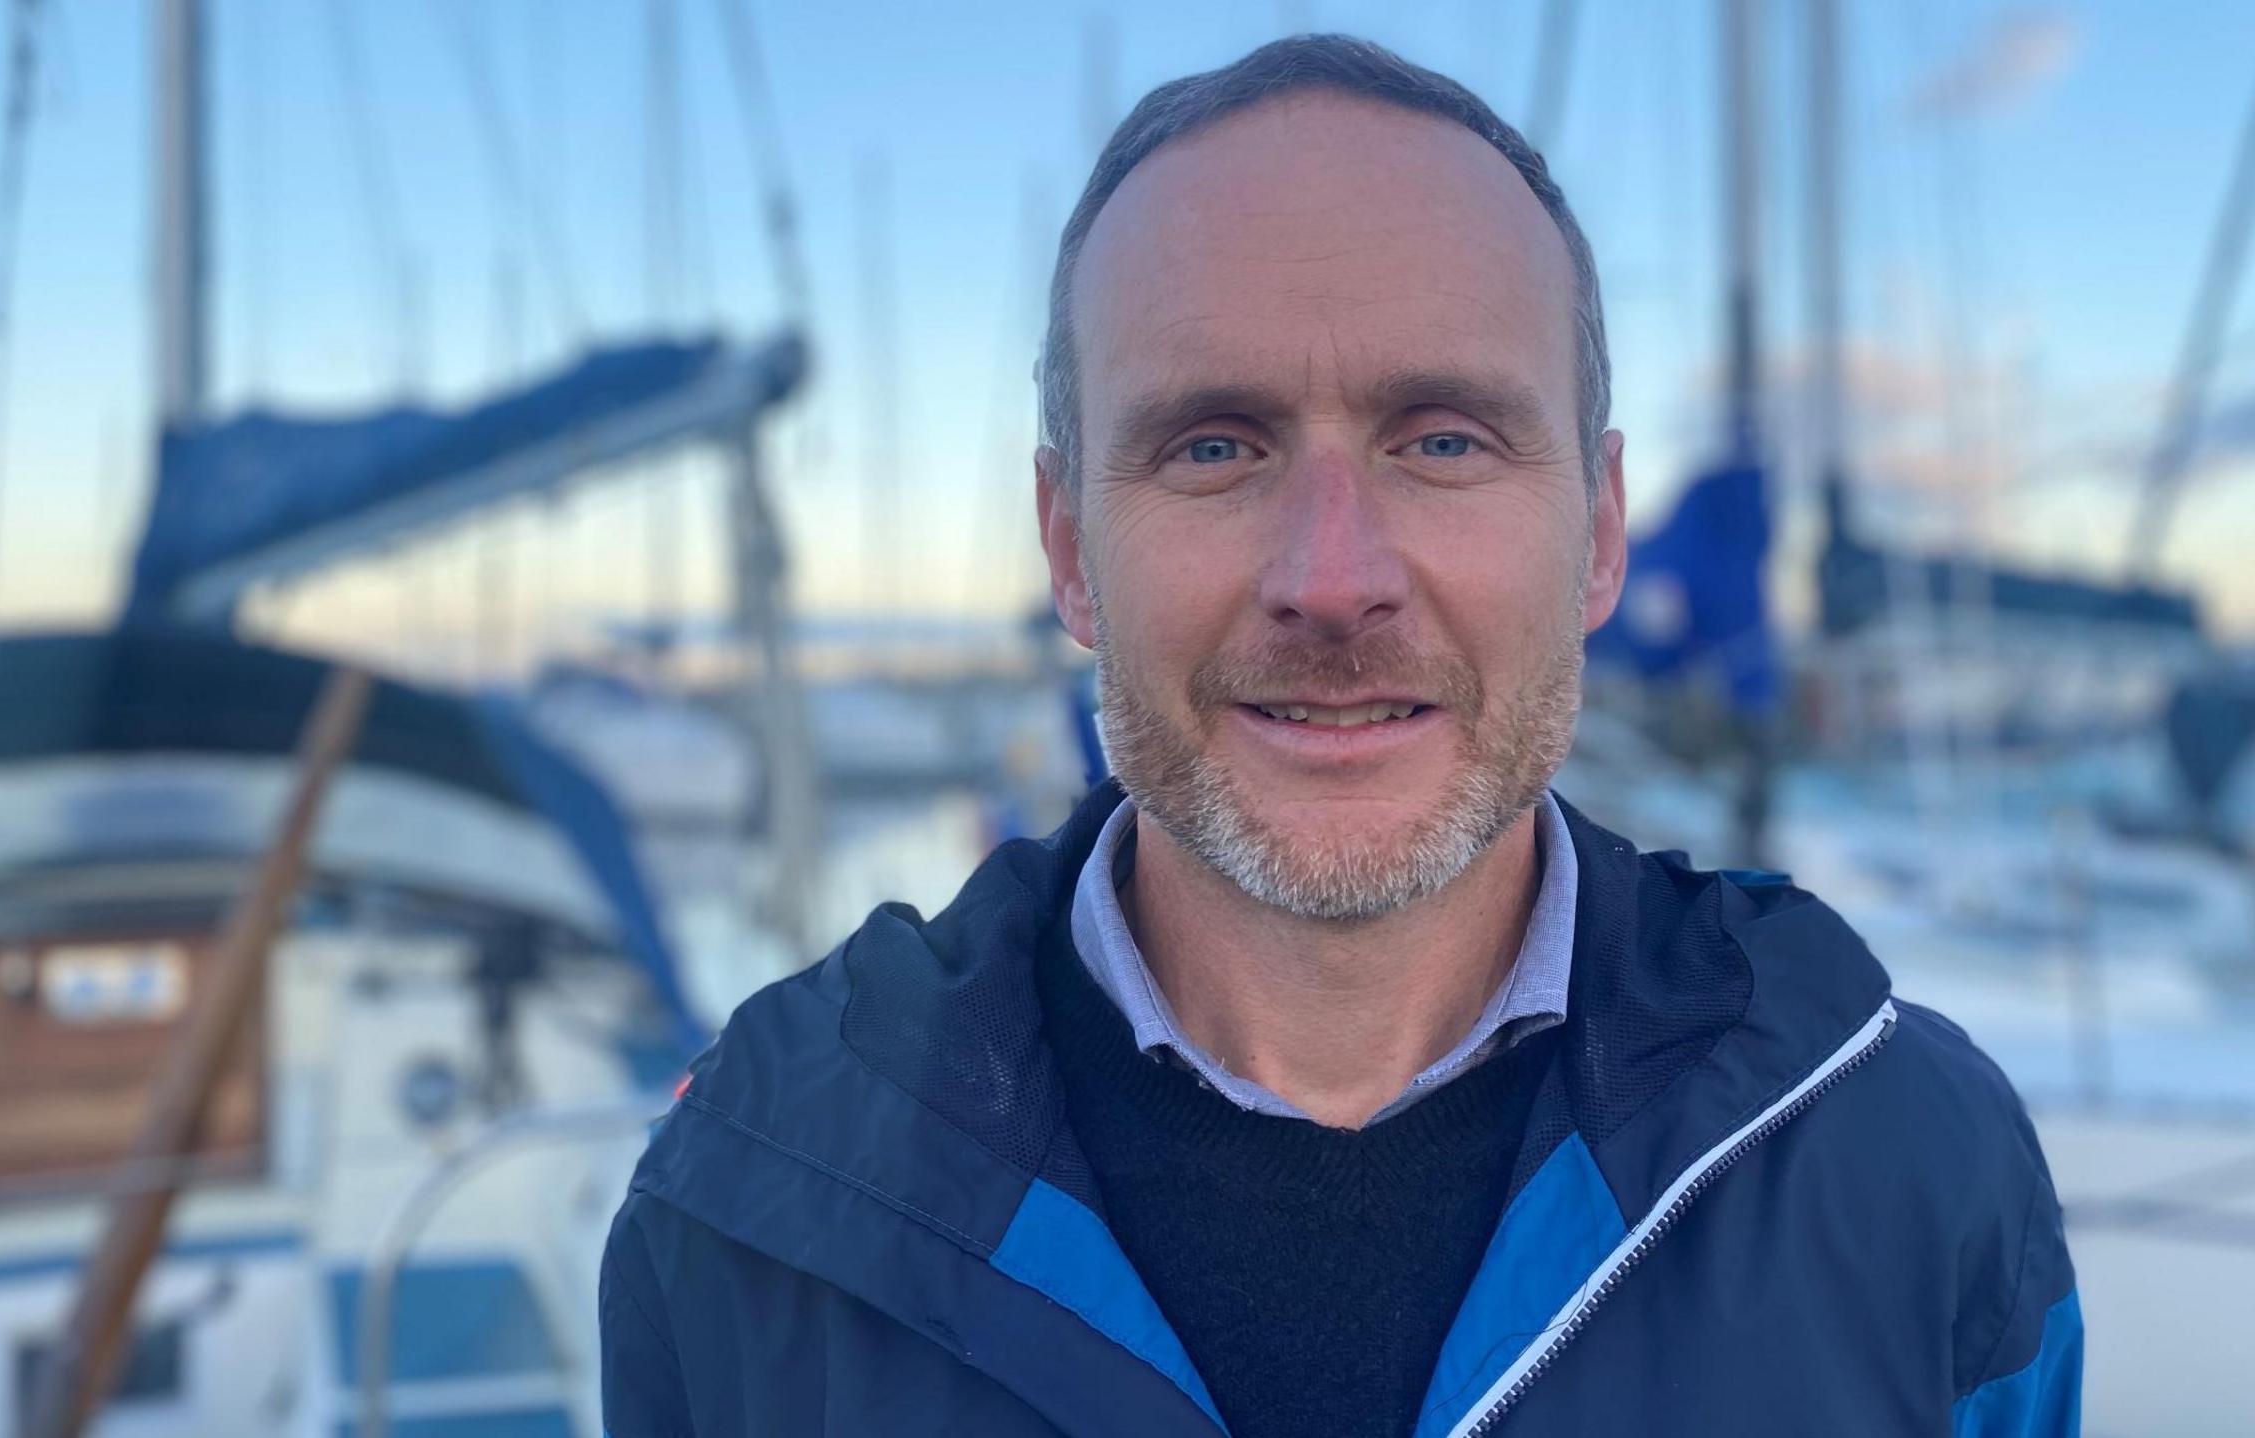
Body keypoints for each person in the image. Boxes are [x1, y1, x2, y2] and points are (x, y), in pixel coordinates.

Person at [600, 33, 2079, 1438]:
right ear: (1068, 546)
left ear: (1603, 533)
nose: (1330, 579)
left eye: (1443, 439)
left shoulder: (1906, 1166)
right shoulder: (748, 1213)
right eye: (1213, 445)